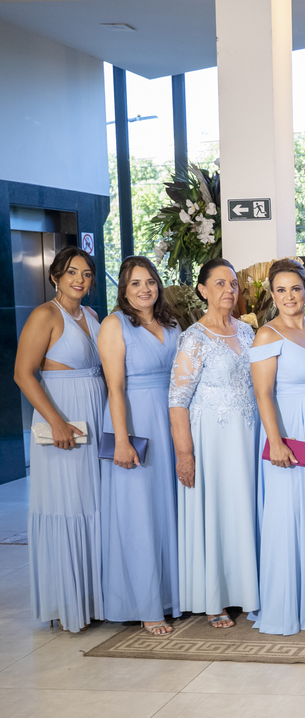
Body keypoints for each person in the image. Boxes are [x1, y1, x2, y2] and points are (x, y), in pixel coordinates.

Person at [13, 246, 106, 633]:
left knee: (93, 501)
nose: (79, 280)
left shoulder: (93, 315)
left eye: (86, 273)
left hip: (95, 416)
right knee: (67, 503)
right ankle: (66, 601)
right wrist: (57, 423)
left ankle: (95, 597)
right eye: (71, 272)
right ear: (55, 277)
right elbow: (23, 374)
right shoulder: (44, 315)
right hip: (63, 416)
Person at [169, 258, 259, 628]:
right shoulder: (194, 338)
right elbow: (177, 400)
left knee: (244, 508)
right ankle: (213, 599)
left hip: (248, 435)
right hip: (211, 441)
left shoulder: (249, 331)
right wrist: (185, 454)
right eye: (220, 283)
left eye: (233, 283)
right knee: (217, 511)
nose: (229, 290)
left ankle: (248, 590)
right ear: (203, 290)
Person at [97, 256, 181, 635]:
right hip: (136, 423)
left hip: (172, 421)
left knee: (169, 508)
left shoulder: (172, 323)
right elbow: (114, 388)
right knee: (139, 512)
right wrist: (122, 440)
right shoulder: (114, 325)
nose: (145, 289)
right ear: (124, 290)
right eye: (135, 283)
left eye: (149, 281)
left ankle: (174, 595)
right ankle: (146, 605)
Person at [249, 259, 305, 636]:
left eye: (295, 288)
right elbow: (262, 394)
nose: (289, 296)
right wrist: (276, 442)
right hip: (289, 431)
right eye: (280, 290)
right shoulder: (266, 336)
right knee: (290, 515)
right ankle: (289, 606)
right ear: (272, 295)